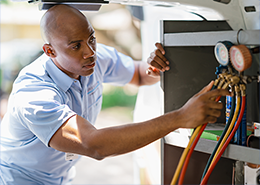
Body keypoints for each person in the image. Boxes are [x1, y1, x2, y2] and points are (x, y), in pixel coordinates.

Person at [0, 5, 230, 185]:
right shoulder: (34, 94)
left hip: (60, 177)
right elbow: (94, 145)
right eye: (76, 46)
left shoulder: (93, 59)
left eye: (91, 38)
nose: (90, 52)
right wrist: (180, 118)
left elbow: (140, 75)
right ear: (50, 51)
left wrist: (155, 69)